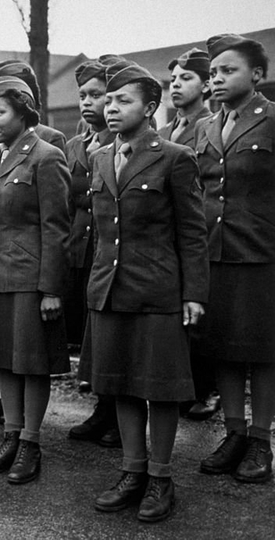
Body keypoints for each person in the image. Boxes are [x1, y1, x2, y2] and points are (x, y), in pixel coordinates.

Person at [88, 61, 207, 522]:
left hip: (158, 290)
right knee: (120, 385)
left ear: (150, 107)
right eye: (109, 100)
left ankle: (160, 478)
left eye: (124, 101)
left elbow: (192, 233)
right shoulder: (101, 156)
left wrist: (193, 294)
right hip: (110, 290)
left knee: (159, 388)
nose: (111, 108)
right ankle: (132, 471)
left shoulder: (175, 157)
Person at [0, 76, 70, 484]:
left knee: (32, 362)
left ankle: (30, 442)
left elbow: (56, 228)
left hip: (29, 276)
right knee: (6, 360)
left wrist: (51, 289)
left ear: (23, 112)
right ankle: (11, 435)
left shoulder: (46, 156)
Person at [195, 34, 275, 484]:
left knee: (262, 352)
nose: (218, 79)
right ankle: (234, 433)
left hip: (261, 254)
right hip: (214, 255)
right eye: (213, 74)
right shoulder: (207, 127)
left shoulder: (272, 121)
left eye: (228, 71)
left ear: (257, 75)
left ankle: (261, 440)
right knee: (222, 348)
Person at [158, 47, 219, 422]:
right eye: (174, 80)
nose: (177, 86)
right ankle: (183, 383)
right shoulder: (164, 131)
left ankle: (207, 387)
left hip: (205, 227)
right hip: (170, 231)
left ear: (207, 84)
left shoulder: (210, 125)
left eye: (186, 78)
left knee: (201, 310)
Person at [65, 60, 121, 449]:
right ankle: (104, 408)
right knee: (93, 333)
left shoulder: (120, 145)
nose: (88, 102)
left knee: (115, 334)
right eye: (83, 95)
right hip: (82, 249)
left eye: (96, 95)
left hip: (111, 250)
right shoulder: (74, 145)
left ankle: (120, 416)